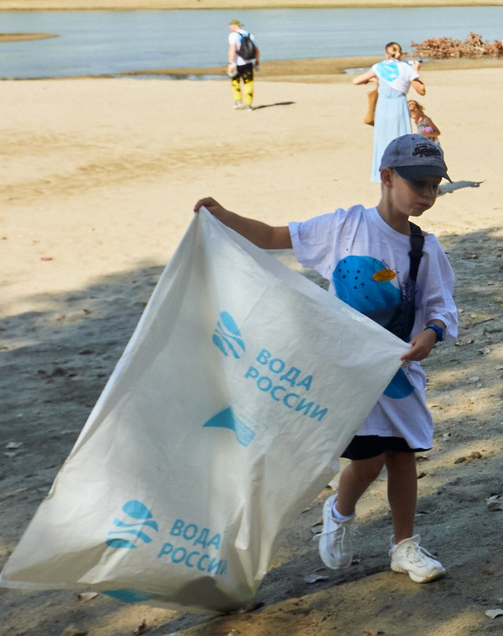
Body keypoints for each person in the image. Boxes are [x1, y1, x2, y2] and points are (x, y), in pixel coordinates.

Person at [193, 133, 458, 583]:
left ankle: (405, 546)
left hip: (397, 371)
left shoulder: (424, 249)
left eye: (435, 185)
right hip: (345, 372)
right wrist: (224, 218)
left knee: (402, 455)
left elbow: (440, 308)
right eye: (419, 184)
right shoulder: (345, 226)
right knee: (367, 461)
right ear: (387, 177)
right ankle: (340, 510)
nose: (428, 196)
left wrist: (430, 335)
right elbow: (278, 236)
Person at [352, 42, 422, 171]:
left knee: (383, 141)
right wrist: (416, 70)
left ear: (386, 53)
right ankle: (403, 172)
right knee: (402, 140)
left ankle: (384, 172)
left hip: (383, 108)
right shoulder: (406, 68)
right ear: (400, 53)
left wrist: (374, 79)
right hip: (399, 106)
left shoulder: (378, 67)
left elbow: (356, 80)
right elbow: (421, 90)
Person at [226, 19, 258, 110]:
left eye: (230, 26)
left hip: (236, 64)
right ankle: (248, 104)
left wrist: (230, 63)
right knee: (248, 83)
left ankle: (238, 101)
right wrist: (257, 61)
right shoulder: (250, 35)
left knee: (235, 82)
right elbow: (256, 49)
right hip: (248, 63)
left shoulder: (233, 35)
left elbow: (232, 49)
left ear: (233, 25)